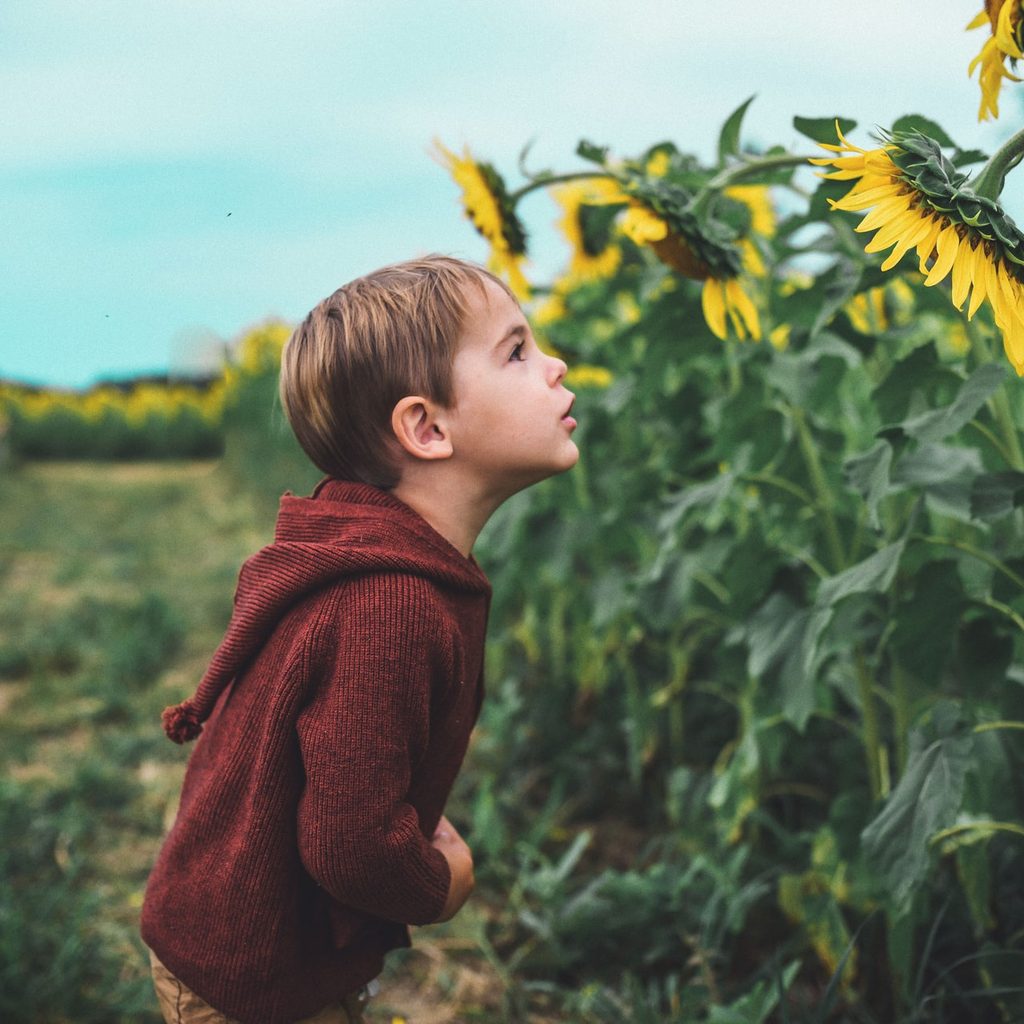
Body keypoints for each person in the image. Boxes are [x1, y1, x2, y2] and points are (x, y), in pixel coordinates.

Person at [140, 254, 579, 1024]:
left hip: (243, 937)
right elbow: (349, 843)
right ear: (427, 427)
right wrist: (440, 883)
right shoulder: (392, 604)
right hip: (255, 978)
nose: (555, 365)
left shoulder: (385, 562)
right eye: (517, 351)